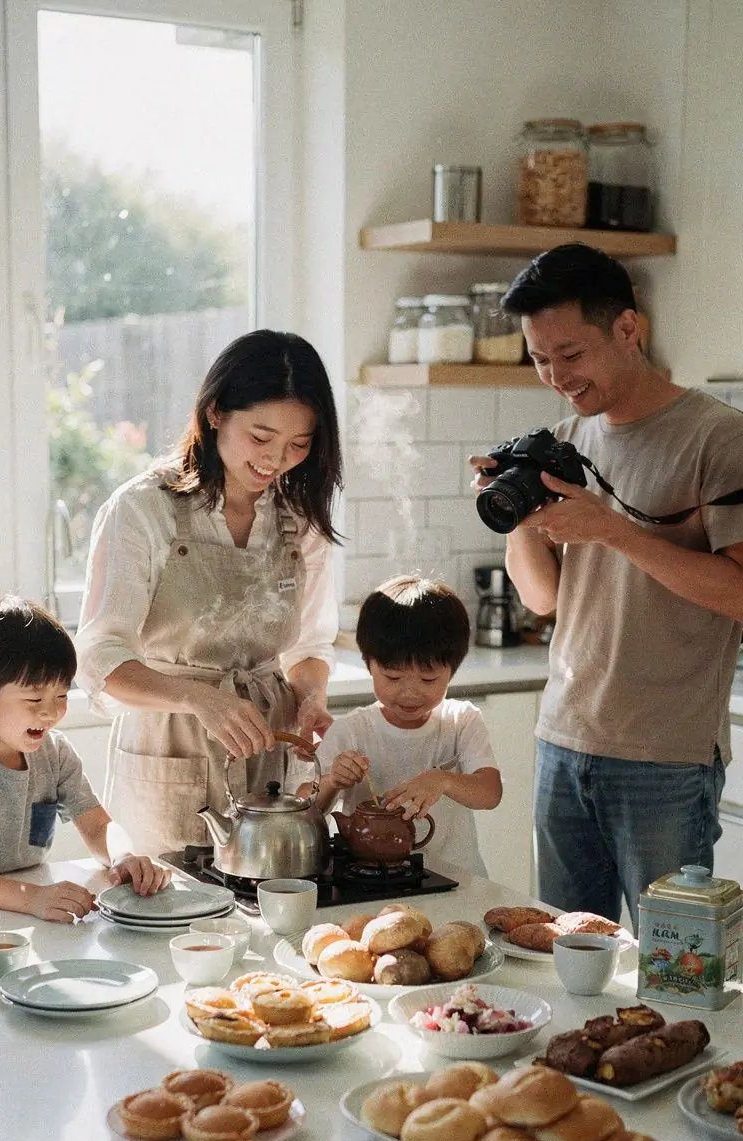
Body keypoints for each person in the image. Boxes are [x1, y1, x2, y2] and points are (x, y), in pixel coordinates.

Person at [471, 242, 743, 928]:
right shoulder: (565, 440)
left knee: (671, 963)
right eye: (540, 359)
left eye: (570, 354)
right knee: (565, 956)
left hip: (665, 756)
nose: (557, 377)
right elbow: (542, 599)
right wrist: (516, 517)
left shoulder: (718, 439)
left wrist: (614, 531)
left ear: (627, 329)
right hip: (563, 740)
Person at [75, 329, 342, 855]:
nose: (276, 460)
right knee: (165, 893)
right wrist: (197, 698)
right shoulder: (144, 509)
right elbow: (100, 657)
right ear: (215, 412)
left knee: (267, 895)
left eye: (298, 445)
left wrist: (311, 698)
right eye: (261, 438)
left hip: (268, 750)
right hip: (166, 751)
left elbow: (310, 646)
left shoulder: (299, 521)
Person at [0, 596, 171, 922]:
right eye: (34, 698)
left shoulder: (55, 752)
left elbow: (98, 825)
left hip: (29, 897)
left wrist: (123, 855)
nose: (51, 712)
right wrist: (34, 898)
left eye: (61, 695)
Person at [314, 575, 502, 880]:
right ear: (369, 665)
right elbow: (307, 809)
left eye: (428, 680)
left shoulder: (462, 721)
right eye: (393, 677)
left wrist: (443, 781)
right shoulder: (350, 732)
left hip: (459, 881)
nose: (410, 693)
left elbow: (490, 793)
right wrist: (332, 780)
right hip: (370, 881)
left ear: (452, 671)